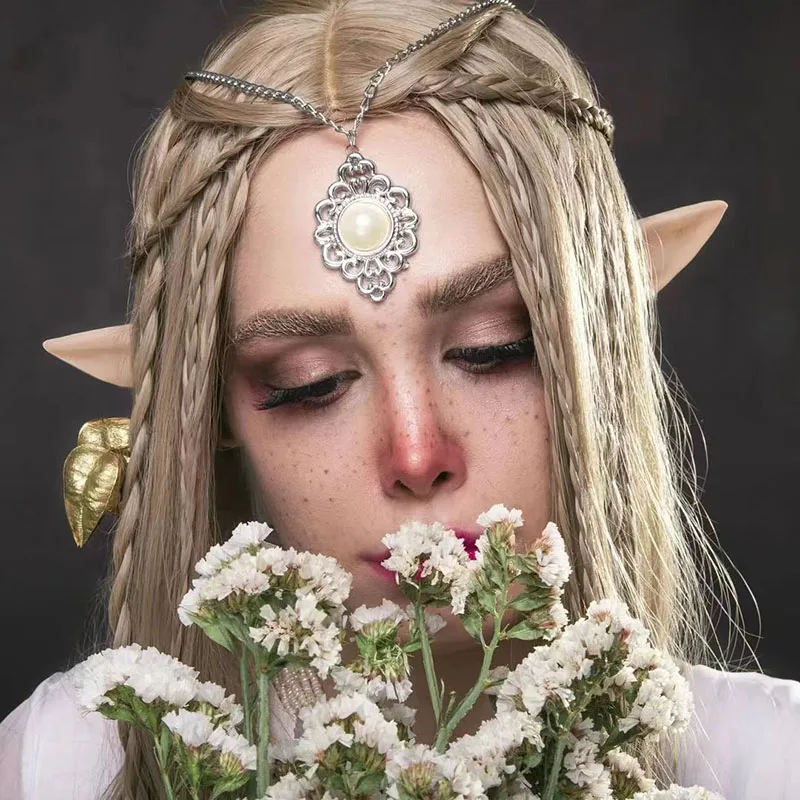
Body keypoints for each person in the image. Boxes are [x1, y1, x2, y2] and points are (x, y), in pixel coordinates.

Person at [1, 0, 798, 798]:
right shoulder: (57, 772)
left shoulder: (773, 765)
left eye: (493, 349)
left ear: (597, 345)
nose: (417, 454)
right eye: (311, 384)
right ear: (209, 414)